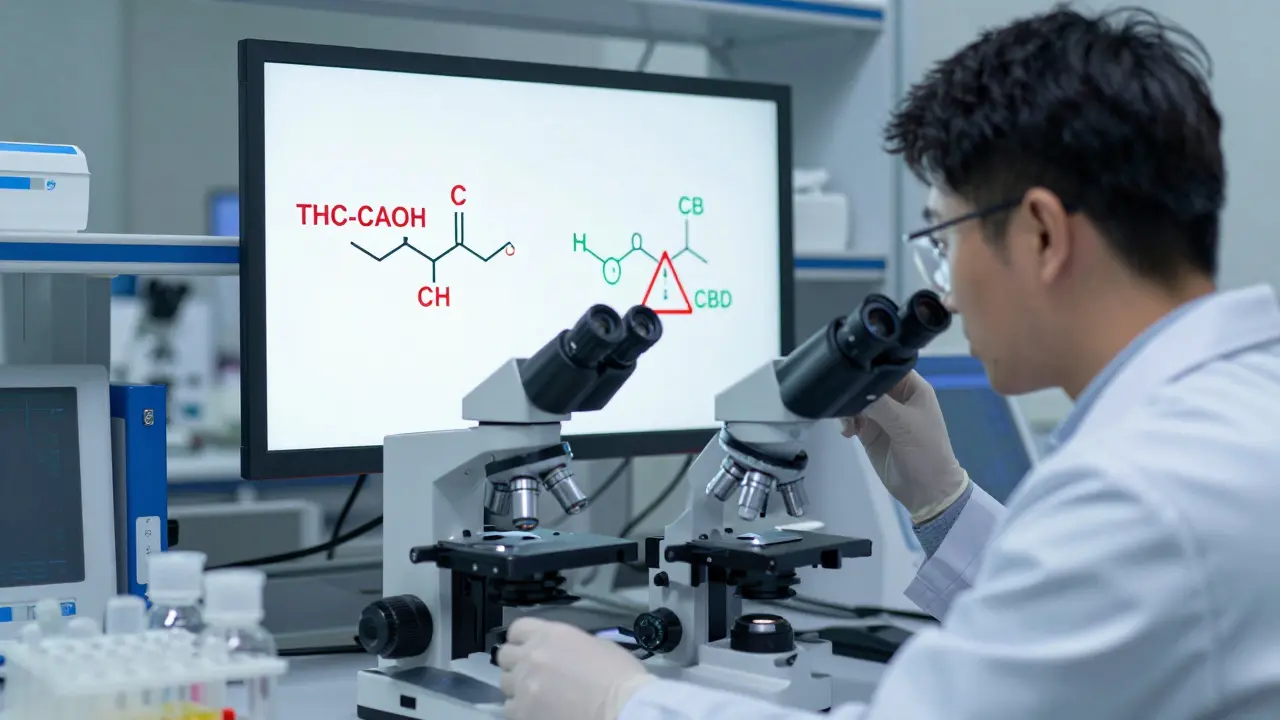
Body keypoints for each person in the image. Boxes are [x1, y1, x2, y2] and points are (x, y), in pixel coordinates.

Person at [497, 5, 1280, 719]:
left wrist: (617, 700)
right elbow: (1074, 629)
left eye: (945, 241)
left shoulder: (1140, 492)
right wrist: (943, 501)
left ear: (1041, 234)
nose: (945, 288)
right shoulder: (1235, 411)